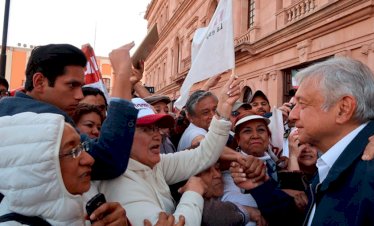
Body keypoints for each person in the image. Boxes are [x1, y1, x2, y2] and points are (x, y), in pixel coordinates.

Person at [232, 57, 374, 226]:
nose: (293, 115)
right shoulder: (333, 163)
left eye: (302, 103)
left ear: (343, 109)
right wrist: (261, 187)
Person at [97, 76, 249, 226]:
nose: (157, 135)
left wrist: (222, 112)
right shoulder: (121, 184)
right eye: (146, 129)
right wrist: (193, 192)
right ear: (123, 137)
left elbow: (203, 155)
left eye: (156, 128)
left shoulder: (155, 164)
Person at [0, 43, 138, 180]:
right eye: (72, 85)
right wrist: (121, 75)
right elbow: (107, 160)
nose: (80, 95)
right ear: (39, 82)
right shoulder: (48, 121)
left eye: (80, 86)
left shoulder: (11, 110)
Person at [0, 112, 128, 225]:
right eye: (73, 151)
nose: (89, 159)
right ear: (37, 166)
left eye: (82, 147)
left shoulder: (84, 202)